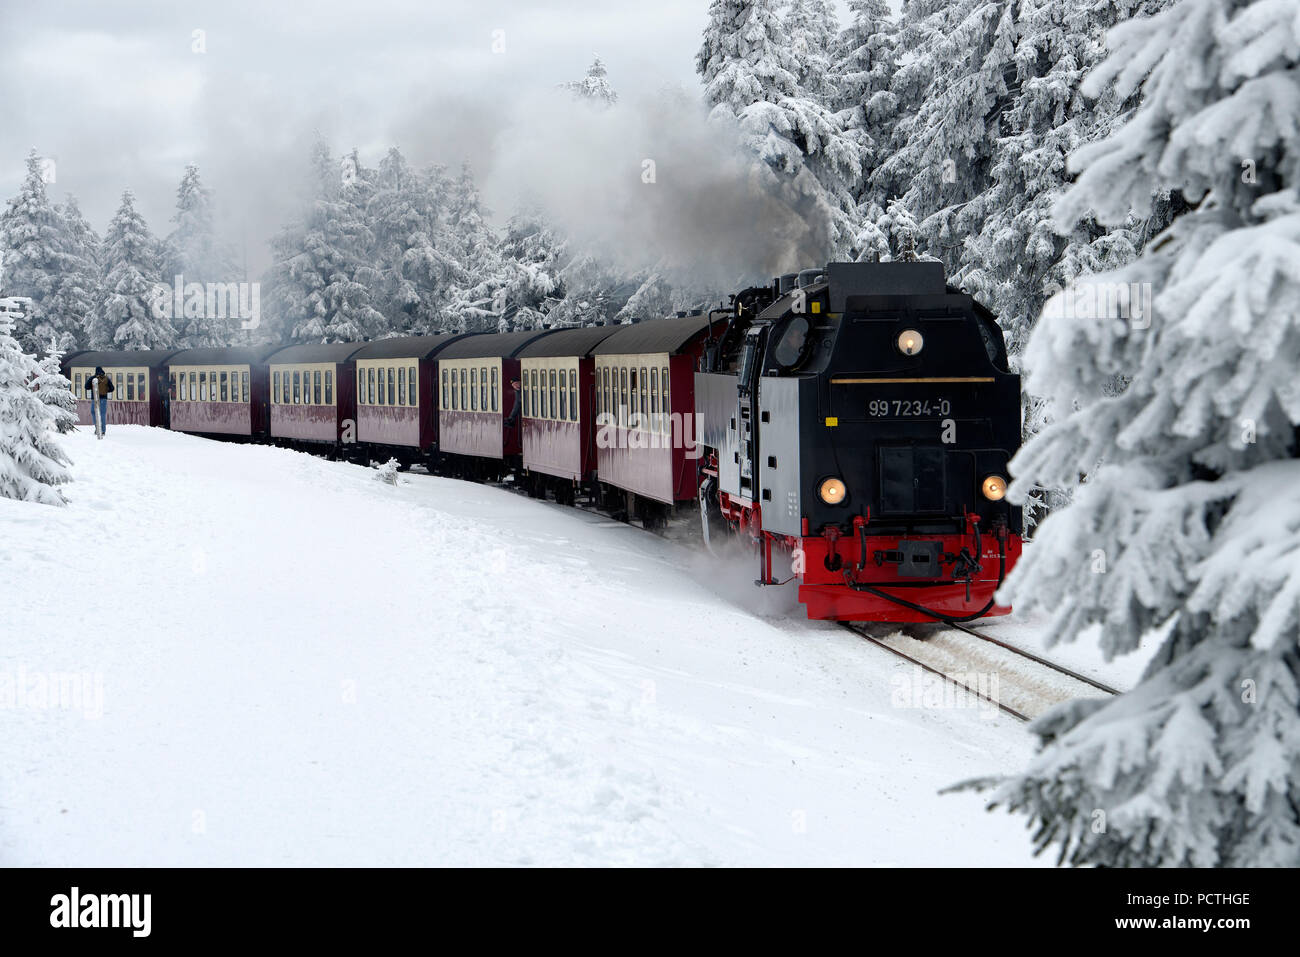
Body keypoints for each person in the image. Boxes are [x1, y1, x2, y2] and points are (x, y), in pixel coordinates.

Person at [85, 366, 114, 434]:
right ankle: (103, 430)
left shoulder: (93, 378)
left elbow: (86, 387)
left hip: (95, 399)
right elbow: (112, 388)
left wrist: (92, 387)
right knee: (102, 414)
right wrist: (106, 390)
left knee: (94, 413)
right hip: (104, 399)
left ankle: (97, 429)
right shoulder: (106, 378)